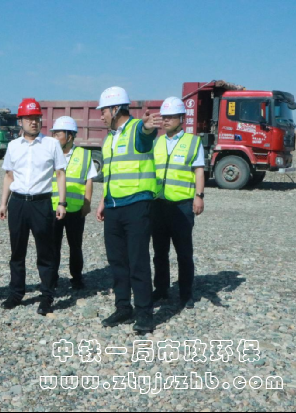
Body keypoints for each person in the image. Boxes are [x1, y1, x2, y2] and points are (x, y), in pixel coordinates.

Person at [95, 86, 162, 334]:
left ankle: (145, 313)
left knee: (138, 261)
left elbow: (146, 136)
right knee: (117, 262)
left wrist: (147, 127)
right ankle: (123, 307)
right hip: (113, 206)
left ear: (115, 109)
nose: (101, 115)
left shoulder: (136, 129)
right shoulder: (109, 138)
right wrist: (103, 201)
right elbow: (110, 173)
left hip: (137, 205)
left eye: (103, 110)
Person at [0, 98, 67, 316]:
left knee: (45, 253)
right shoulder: (13, 146)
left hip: (41, 203)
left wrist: (62, 202)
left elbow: (60, 173)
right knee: (17, 252)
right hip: (18, 203)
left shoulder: (51, 144)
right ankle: (16, 293)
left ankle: (46, 296)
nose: (34, 122)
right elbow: (9, 176)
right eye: (29, 118)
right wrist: (3, 203)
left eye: (37, 118)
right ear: (20, 121)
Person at [152, 97, 206, 309]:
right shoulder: (157, 142)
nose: (166, 120)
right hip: (158, 204)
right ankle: (161, 289)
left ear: (181, 118)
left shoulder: (193, 142)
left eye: (171, 117)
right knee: (159, 252)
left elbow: (199, 170)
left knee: (184, 253)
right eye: (164, 117)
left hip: (182, 205)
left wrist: (199, 196)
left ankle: (185, 294)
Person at [50, 116, 97, 290]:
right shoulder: (50, 153)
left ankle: (76, 278)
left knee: (75, 246)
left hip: (76, 209)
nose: (54, 137)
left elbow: (89, 180)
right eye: (54, 133)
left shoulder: (84, 155)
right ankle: (52, 279)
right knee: (52, 246)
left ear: (69, 136)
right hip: (53, 207)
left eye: (58, 134)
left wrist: (87, 202)